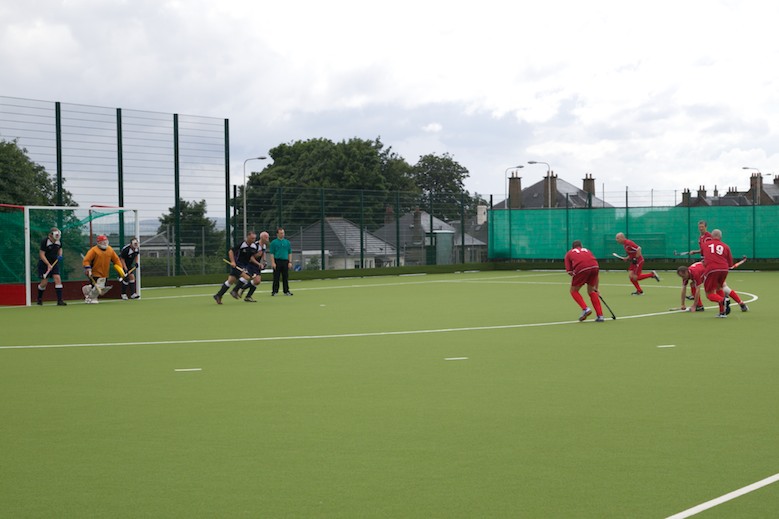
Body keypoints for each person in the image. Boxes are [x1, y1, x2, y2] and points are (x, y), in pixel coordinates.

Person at [682, 220, 748, 312]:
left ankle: (703, 305)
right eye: (699, 227)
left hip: (709, 266)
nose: (701, 228)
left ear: (706, 227)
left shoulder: (708, 238)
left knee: (711, 290)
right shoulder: (703, 239)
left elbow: (707, 251)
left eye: (702, 227)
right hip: (720, 267)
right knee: (721, 287)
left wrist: (702, 257)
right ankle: (739, 304)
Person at [564, 240, 605, 322]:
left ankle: (585, 309)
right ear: (581, 246)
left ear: (572, 247)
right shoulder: (587, 251)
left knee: (573, 291)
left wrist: (579, 277)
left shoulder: (569, 253)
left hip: (581, 268)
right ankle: (600, 316)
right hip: (595, 267)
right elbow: (596, 273)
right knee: (591, 291)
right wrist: (596, 288)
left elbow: (570, 272)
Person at [213, 232, 257, 304]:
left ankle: (218, 295)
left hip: (245, 265)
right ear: (248, 237)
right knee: (246, 277)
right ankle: (235, 290)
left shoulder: (254, 246)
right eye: (252, 238)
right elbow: (231, 251)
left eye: (254, 238)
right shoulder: (242, 244)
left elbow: (251, 257)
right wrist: (233, 261)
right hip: (237, 264)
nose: (253, 240)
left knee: (230, 281)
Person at [82, 234, 125, 304]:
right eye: (102, 242)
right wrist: (88, 268)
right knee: (98, 287)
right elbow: (86, 260)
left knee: (100, 287)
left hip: (105, 273)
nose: (105, 243)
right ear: (98, 242)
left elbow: (116, 260)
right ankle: (92, 298)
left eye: (106, 241)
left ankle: (87, 289)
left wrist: (120, 269)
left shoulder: (110, 250)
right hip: (94, 272)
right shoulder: (93, 250)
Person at [700, 229, 734, 318]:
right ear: (721, 237)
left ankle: (723, 300)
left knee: (709, 294)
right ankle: (722, 312)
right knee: (719, 288)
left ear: (711, 236)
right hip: (724, 269)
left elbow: (703, 257)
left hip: (711, 269)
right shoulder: (726, 246)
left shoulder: (705, 244)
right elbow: (730, 264)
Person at [36, 227, 66, 306]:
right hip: (44, 263)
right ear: (50, 235)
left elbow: (60, 248)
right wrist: (48, 264)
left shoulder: (58, 241)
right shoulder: (45, 241)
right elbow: (41, 255)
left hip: (54, 263)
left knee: (57, 279)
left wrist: (60, 255)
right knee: (44, 283)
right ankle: (39, 298)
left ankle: (60, 300)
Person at [269, 227, 293, 296]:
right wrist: (273, 262)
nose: (282, 234)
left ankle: (286, 291)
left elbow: (289, 252)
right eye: (281, 233)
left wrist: (290, 262)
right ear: (277, 234)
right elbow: (272, 253)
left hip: (285, 261)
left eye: (283, 233)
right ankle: (274, 291)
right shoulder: (273, 243)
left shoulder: (287, 242)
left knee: (285, 277)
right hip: (277, 261)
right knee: (276, 277)